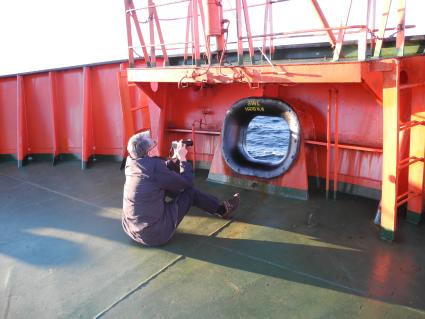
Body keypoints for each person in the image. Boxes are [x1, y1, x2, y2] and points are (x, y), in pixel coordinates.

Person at [122, 131, 240, 247]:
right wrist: (183, 158)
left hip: (132, 230)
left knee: (168, 187)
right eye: (154, 143)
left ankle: (217, 208)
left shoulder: (133, 163)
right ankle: (221, 210)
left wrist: (175, 158)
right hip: (155, 235)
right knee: (190, 193)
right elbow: (187, 183)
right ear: (150, 152)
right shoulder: (154, 168)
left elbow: (157, 172)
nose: (156, 143)